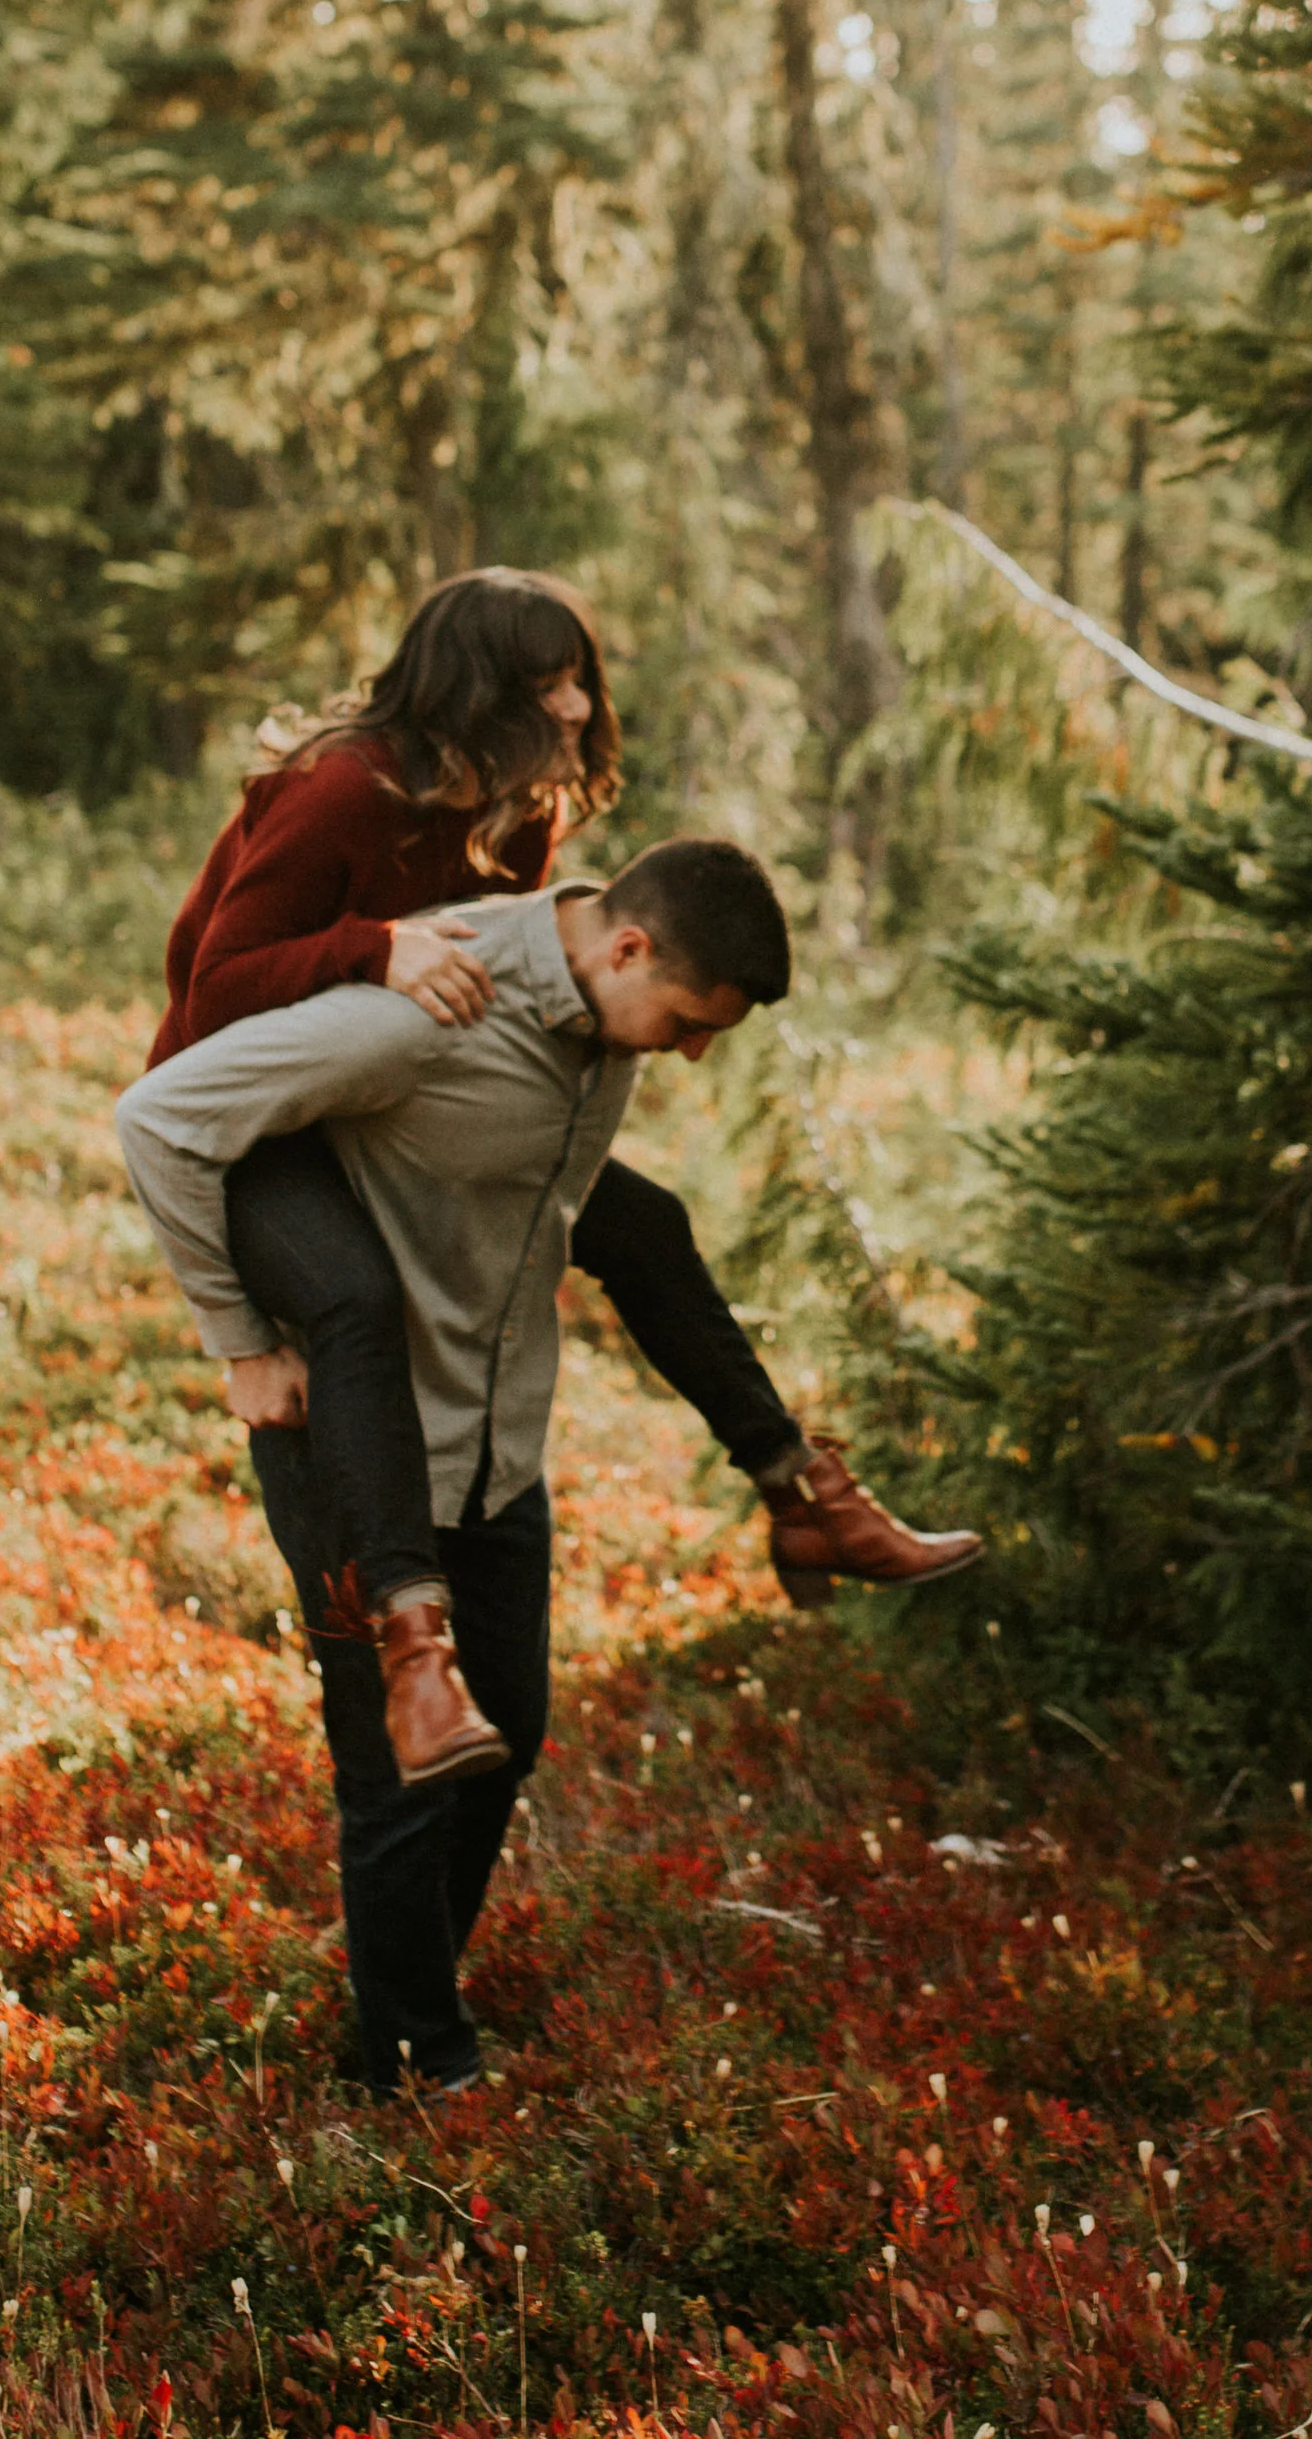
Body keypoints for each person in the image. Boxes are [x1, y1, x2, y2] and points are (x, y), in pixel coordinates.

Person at [146, 568, 979, 1787]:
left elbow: (510, 986)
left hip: (384, 1103)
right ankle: (411, 1643)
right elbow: (213, 990)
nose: (582, 706)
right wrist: (373, 949)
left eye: (582, 678)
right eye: (551, 685)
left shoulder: (513, 812)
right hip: (257, 1128)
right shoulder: (342, 794)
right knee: (357, 1299)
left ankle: (804, 1491)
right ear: (475, 688)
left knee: (643, 1224)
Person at [119, 840, 811, 2097]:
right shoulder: (425, 1014)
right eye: (689, 1024)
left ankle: (412, 1998)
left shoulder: (597, 1030)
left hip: (496, 1451)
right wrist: (241, 1342)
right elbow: (159, 1117)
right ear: (628, 950)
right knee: (396, 1772)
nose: (692, 1054)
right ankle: (413, 2064)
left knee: (505, 1735)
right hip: (357, 1447)